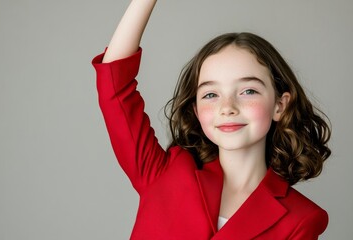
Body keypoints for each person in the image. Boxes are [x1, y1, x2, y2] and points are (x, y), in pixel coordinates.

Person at [92, 0, 331, 239]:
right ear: (196, 110)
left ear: (280, 105)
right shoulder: (164, 173)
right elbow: (114, 86)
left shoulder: (302, 219)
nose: (227, 108)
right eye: (211, 95)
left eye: (248, 91)